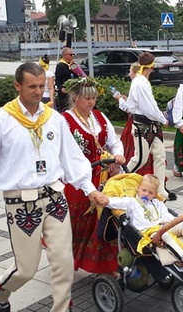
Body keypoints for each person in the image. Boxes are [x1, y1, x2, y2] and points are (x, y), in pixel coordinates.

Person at [0, 62, 109, 312]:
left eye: (41, 86)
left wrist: (89, 189)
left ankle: (62, 308)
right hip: (22, 202)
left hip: (55, 197)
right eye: (31, 86)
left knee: (64, 261)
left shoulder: (52, 118)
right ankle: (0, 292)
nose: (37, 91)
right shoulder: (1, 120)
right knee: (26, 269)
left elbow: (71, 157)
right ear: (17, 86)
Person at [62, 77, 125, 274]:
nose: (91, 102)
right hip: (78, 180)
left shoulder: (98, 116)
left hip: (103, 176)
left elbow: (113, 140)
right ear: (74, 97)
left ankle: (104, 264)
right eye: (87, 98)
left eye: (94, 98)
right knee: (77, 223)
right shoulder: (65, 120)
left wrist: (118, 153)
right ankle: (67, 259)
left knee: (104, 220)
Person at [106, 174, 183, 268]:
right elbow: (116, 202)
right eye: (144, 190)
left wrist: (176, 222)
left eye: (150, 193)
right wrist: (104, 199)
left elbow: (167, 216)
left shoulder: (157, 203)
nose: (146, 194)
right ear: (138, 188)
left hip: (162, 226)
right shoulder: (132, 202)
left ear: (154, 194)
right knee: (165, 235)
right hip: (147, 234)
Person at [124, 52, 170, 200]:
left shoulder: (140, 81)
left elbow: (134, 105)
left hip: (150, 125)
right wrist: (163, 119)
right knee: (140, 159)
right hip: (143, 125)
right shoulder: (140, 83)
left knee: (160, 155)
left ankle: (160, 190)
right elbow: (149, 107)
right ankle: (119, 180)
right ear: (152, 66)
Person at [54, 47, 79, 112]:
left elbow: (77, 76)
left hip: (73, 90)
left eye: (72, 54)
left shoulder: (72, 64)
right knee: (65, 109)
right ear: (65, 55)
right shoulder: (60, 65)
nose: (72, 56)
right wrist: (61, 88)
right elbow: (57, 79)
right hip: (64, 91)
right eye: (71, 54)